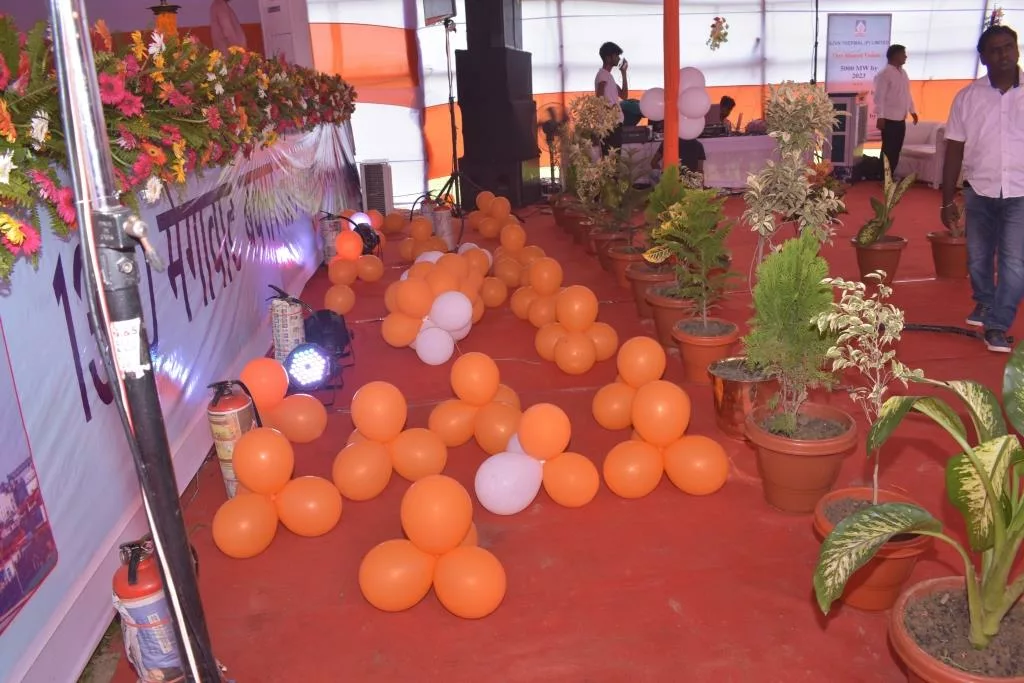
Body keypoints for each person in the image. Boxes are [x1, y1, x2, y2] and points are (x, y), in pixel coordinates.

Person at [941, 24, 1024, 353]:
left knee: (1014, 261)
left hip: (1020, 192)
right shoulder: (967, 97)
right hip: (979, 190)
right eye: (995, 49)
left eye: (1009, 47)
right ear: (983, 57)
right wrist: (947, 199)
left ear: (1017, 49)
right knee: (977, 259)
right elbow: (954, 148)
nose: (1004, 54)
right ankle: (986, 301)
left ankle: (998, 324)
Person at [873, 44, 918, 175]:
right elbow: (879, 97)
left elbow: (907, 94)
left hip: (900, 118)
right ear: (895, 55)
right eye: (903, 54)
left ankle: (890, 175)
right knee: (888, 150)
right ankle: (883, 177)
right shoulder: (884, 74)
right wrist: (880, 116)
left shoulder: (903, 73)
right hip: (888, 118)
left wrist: (912, 111)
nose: (906, 57)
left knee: (897, 149)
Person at [595, 42, 628, 152]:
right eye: (616, 55)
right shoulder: (602, 75)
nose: (619, 58)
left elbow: (624, 95)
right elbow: (599, 97)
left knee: (614, 158)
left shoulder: (608, 76)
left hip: (614, 124)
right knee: (612, 158)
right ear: (608, 57)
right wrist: (609, 110)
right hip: (610, 125)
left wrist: (623, 73)